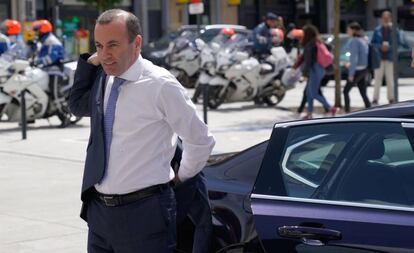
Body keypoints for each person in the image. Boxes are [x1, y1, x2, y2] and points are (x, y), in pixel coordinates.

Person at [69, 9, 215, 253]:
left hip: (145, 214)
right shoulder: (106, 78)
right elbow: (76, 105)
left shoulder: (160, 85)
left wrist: (181, 178)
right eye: (99, 45)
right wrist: (91, 62)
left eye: (113, 45)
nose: (105, 54)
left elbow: (200, 140)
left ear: (136, 43)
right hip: (100, 215)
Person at [301, 24, 336, 119]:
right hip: (320, 68)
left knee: (313, 93)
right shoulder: (318, 41)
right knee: (309, 92)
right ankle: (309, 113)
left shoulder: (310, 45)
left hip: (314, 69)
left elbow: (308, 61)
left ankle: (330, 108)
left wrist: (304, 74)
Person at [371, 10, 399, 105]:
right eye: (384, 18)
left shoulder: (394, 30)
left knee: (390, 80)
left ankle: (391, 98)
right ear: (381, 19)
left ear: (390, 18)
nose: (386, 20)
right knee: (377, 80)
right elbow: (373, 43)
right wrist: (380, 46)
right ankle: (375, 99)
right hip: (379, 58)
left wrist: (389, 47)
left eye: (387, 18)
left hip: (390, 58)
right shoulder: (377, 30)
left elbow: (397, 43)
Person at [343, 22, 371, 113]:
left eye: (349, 30)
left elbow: (354, 58)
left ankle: (347, 112)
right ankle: (369, 110)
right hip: (364, 69)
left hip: (357, 70)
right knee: (363, 92)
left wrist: (351, 74)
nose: (347, 31)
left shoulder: (355, 40)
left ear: (354, 30)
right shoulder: (364, 39)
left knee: (345, 91)